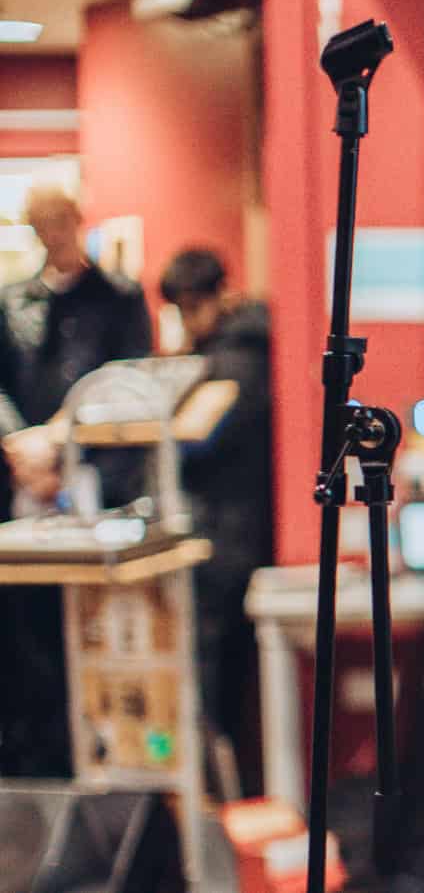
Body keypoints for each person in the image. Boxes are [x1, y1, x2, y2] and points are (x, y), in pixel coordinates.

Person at [0, 184, 151, 778]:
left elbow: (128, 383)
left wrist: (66, 446)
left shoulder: (117, 297)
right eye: (42, 223)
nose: (53, 233)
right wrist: (21, 451)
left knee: (93, 623)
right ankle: (38, 757)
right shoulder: (14, 300)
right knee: (26, 628)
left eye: (60, 220)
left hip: (96, 481)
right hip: (22, 482)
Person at [158, 249, 274, 774]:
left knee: (213, 680)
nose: (187, 321)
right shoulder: (237, 350)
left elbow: (193, 439)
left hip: (223, 539)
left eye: (190, 307)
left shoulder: (237, 358)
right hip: (231, 534)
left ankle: (215, 791)